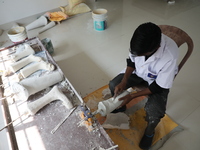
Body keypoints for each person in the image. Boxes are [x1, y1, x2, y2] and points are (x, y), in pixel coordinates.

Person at [109, 22, 179, 149]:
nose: (137, 55)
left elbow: (158, 87)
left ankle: (149, 133)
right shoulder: (139, 43)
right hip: (138, 72)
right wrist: (124, 81)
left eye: (141, 54)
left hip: (156, 81)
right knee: (114, 84)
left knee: (155, 113)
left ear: (156, 48)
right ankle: (120, 107)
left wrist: (133, 96)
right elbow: (131, 61)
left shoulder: (170, 55)